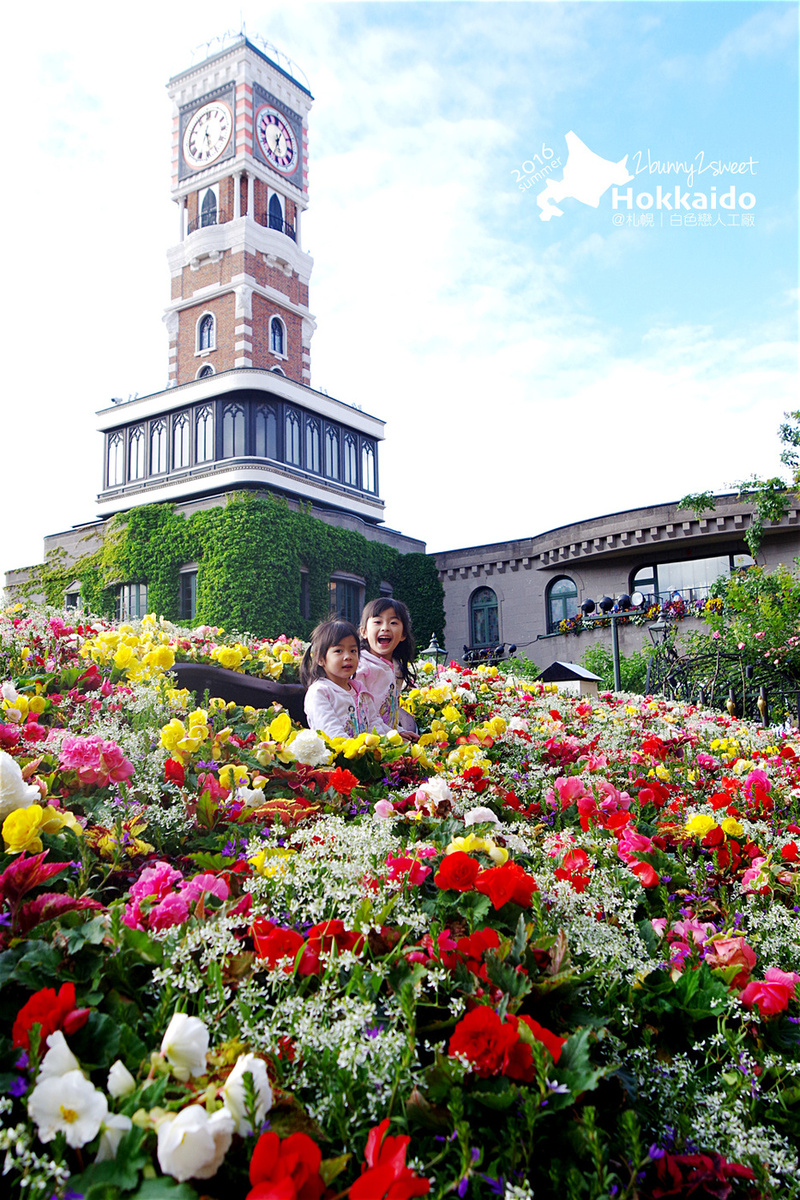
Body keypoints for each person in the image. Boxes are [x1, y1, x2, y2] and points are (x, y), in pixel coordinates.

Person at [301, 619, 387, 740]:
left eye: (353, 651)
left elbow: (375, 723)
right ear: (320, 658)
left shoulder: (360, 689)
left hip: (366, 756)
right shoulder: (320, 692)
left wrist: (386, 743)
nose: (348, 657)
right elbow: (332, 733)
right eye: (338, 651)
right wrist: (357, 752)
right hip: (339, 757)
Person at [357, 598, 419, 742]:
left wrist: (399, 730)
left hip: (387, 739)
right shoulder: (361, 666)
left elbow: (391, 709)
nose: (385, 627)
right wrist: (389, 737)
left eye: (393, 623)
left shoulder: (396, 666)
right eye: (378, 622)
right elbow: (362, 712)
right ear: (364, 632)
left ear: (403, 634)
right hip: (366, 742)